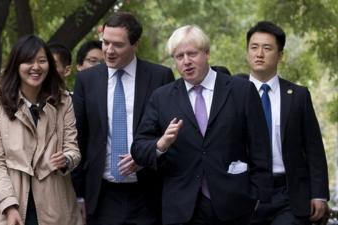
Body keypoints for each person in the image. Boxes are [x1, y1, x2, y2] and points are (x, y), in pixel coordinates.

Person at [131, 25, 273, 225]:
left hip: (235, 205)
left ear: (207, 53)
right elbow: (138, 148)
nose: (186, 62)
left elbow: (260, 148)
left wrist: (258, 198)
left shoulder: (242, 91)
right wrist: (161, 144)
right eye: (179, 56)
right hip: (182, 207)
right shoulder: (161, 97)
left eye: (192, 54)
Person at [73, 11, 175, 225]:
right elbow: (79, 138)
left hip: (148, 192)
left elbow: (168, 134)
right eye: (105, 42)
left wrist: (146, 156)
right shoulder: (86, 80)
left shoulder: (160, 77)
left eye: (117, 45)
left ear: (135, 44)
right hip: (102, 194)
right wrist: (79, 195)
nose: (109, 51)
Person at [0, 35, 82, 225]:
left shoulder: (63, 101)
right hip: (8, 204)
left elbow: (73, 149)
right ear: (16, 65)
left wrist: (65, 159)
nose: (36, 67)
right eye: (28, 61)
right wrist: (9, 206)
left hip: (55, 205)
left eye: (42, 61)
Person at [245, 21, 329, 225]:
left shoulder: (298, 95)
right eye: (254, 47)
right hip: (247, 193)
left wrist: (319, 194)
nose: (259, 54)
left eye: (267, 48)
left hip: (289, 193)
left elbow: (314, 148)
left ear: (280, 55)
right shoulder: (232, 94)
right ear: (247, 52)